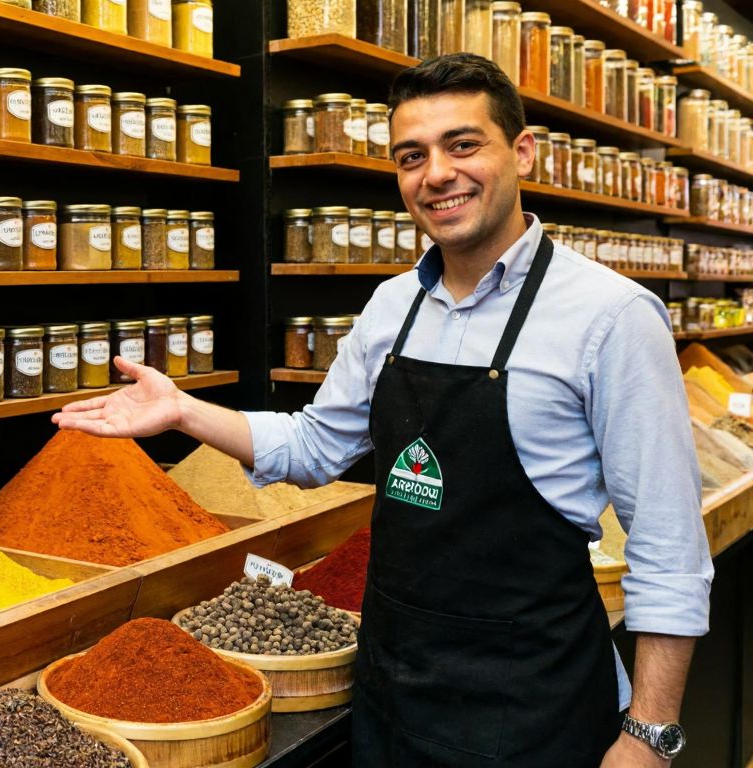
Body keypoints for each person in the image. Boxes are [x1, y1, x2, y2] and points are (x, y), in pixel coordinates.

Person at [53, 54, 713, 767]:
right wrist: (183, 411)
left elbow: (669, 550)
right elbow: (312, 446)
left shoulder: (610, 316)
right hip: (394, 696)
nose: (436, 174)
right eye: (411, 156)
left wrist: (649, 736)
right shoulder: (391, 307)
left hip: (535, 707)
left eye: (462, 145)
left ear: (522, 152)